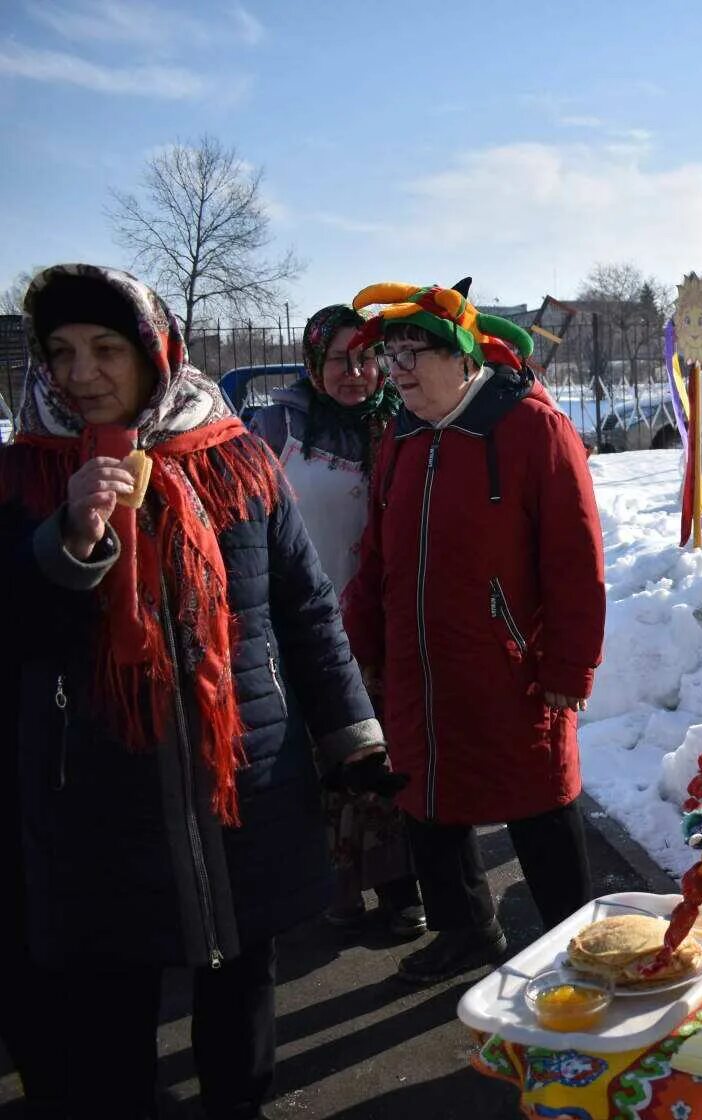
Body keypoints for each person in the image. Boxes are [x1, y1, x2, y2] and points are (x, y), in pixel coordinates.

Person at [0, 264, 388, 1119]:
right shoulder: (21, 476)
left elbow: (305, 606)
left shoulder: (236, 459)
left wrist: (352, 735)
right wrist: (64, 539)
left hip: (241, 779)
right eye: (61, 353)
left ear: (153, 352)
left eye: (107, 349)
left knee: (242, 985)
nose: (83, 373)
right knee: (112, 1018)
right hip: (92, 800)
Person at [340, 279, 606, 983]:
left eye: (412, 352)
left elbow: (577, 563)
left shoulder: (533, 430)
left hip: (512, 667)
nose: (394, 369)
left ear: (462, 358)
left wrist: (568, 669)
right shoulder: (399, 432)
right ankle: (467, 930)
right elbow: (377, 550)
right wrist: (360, 640)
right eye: (389, 353)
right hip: (415, 662)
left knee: (539, 805)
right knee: (429, 799)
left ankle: (577, 950)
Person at [246, 304, 423, 939]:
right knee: (317, 766)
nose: (355, 371)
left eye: (366, 356)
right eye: (338, 359)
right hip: (300, 629)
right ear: (313, 363)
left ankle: (400, 893)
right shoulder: (274, 427)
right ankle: (333, 890)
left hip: (379, 624)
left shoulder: (401, 426)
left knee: (383, 761)